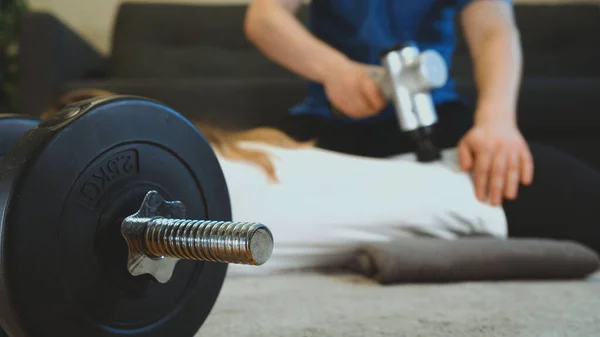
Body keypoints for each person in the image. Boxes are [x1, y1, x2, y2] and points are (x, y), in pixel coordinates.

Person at [240, 0, 600, 261]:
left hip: (438, 118)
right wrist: (336, 71)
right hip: (327, 122)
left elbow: (494, 30)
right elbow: (265, 16)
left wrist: (497, 120)